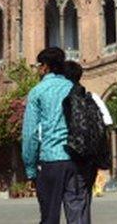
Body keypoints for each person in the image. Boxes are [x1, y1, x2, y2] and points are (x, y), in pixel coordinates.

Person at [22, 47, 83, 224]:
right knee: (77, 216)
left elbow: (30, 134)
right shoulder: (74, 87)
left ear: (45, 67)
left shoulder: (37, 91)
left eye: (38, 66)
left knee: (49, 217)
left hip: (51, 160)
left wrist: (30, 169)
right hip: (75, 160)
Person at [62, 61, 113, 206]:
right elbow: (107, 123)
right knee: (84, 202)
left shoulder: (66, 100)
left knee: (74, 202)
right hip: (91, 158)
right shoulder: (93, 97)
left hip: (72, 156)